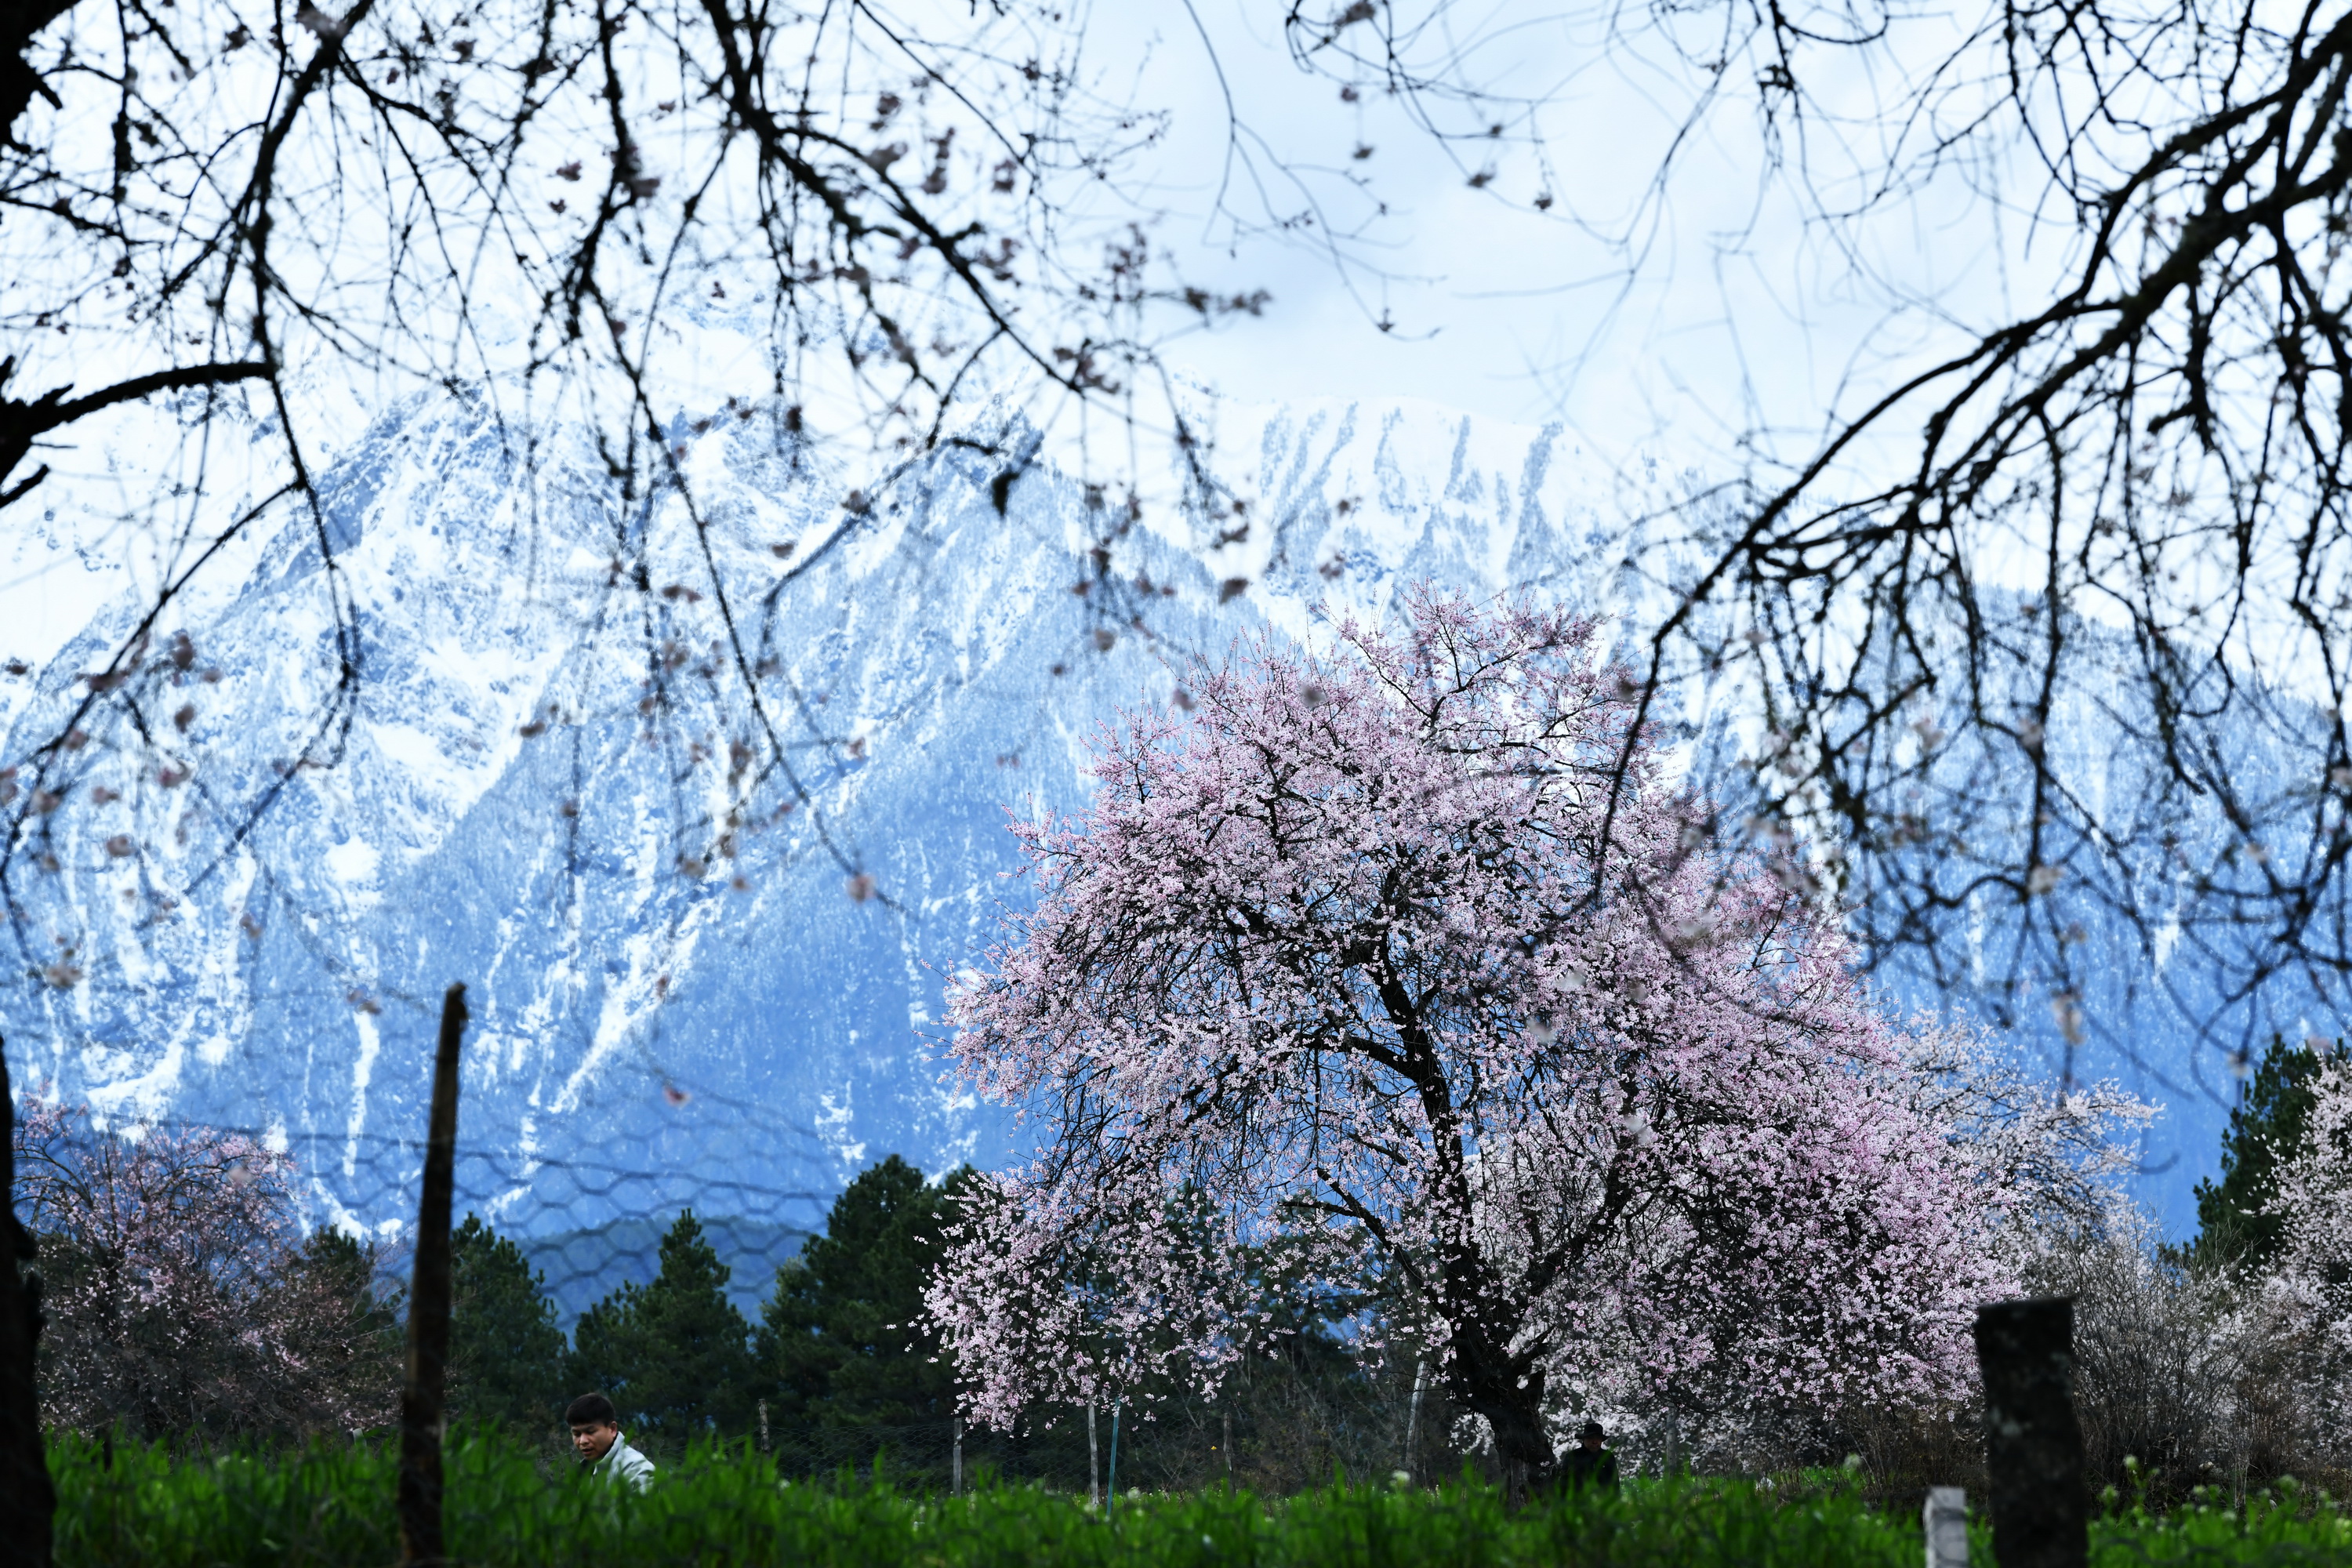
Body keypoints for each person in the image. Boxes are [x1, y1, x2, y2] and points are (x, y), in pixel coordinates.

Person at [567, 1392, 655, 1490]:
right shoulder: (581, 1473)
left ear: (612, 1429)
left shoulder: (635, 1469)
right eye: (577, 1434)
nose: (583, 1441)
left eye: (590, 1432)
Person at [1562, 1421, 1618, 1492]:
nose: (1595, 1442)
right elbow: (1563, 1484)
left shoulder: (1608, 1457)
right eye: (1591, 1438)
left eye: (1598, 1438)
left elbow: (1615, 1483)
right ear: (1584, 1439)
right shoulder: (1572, 1456)